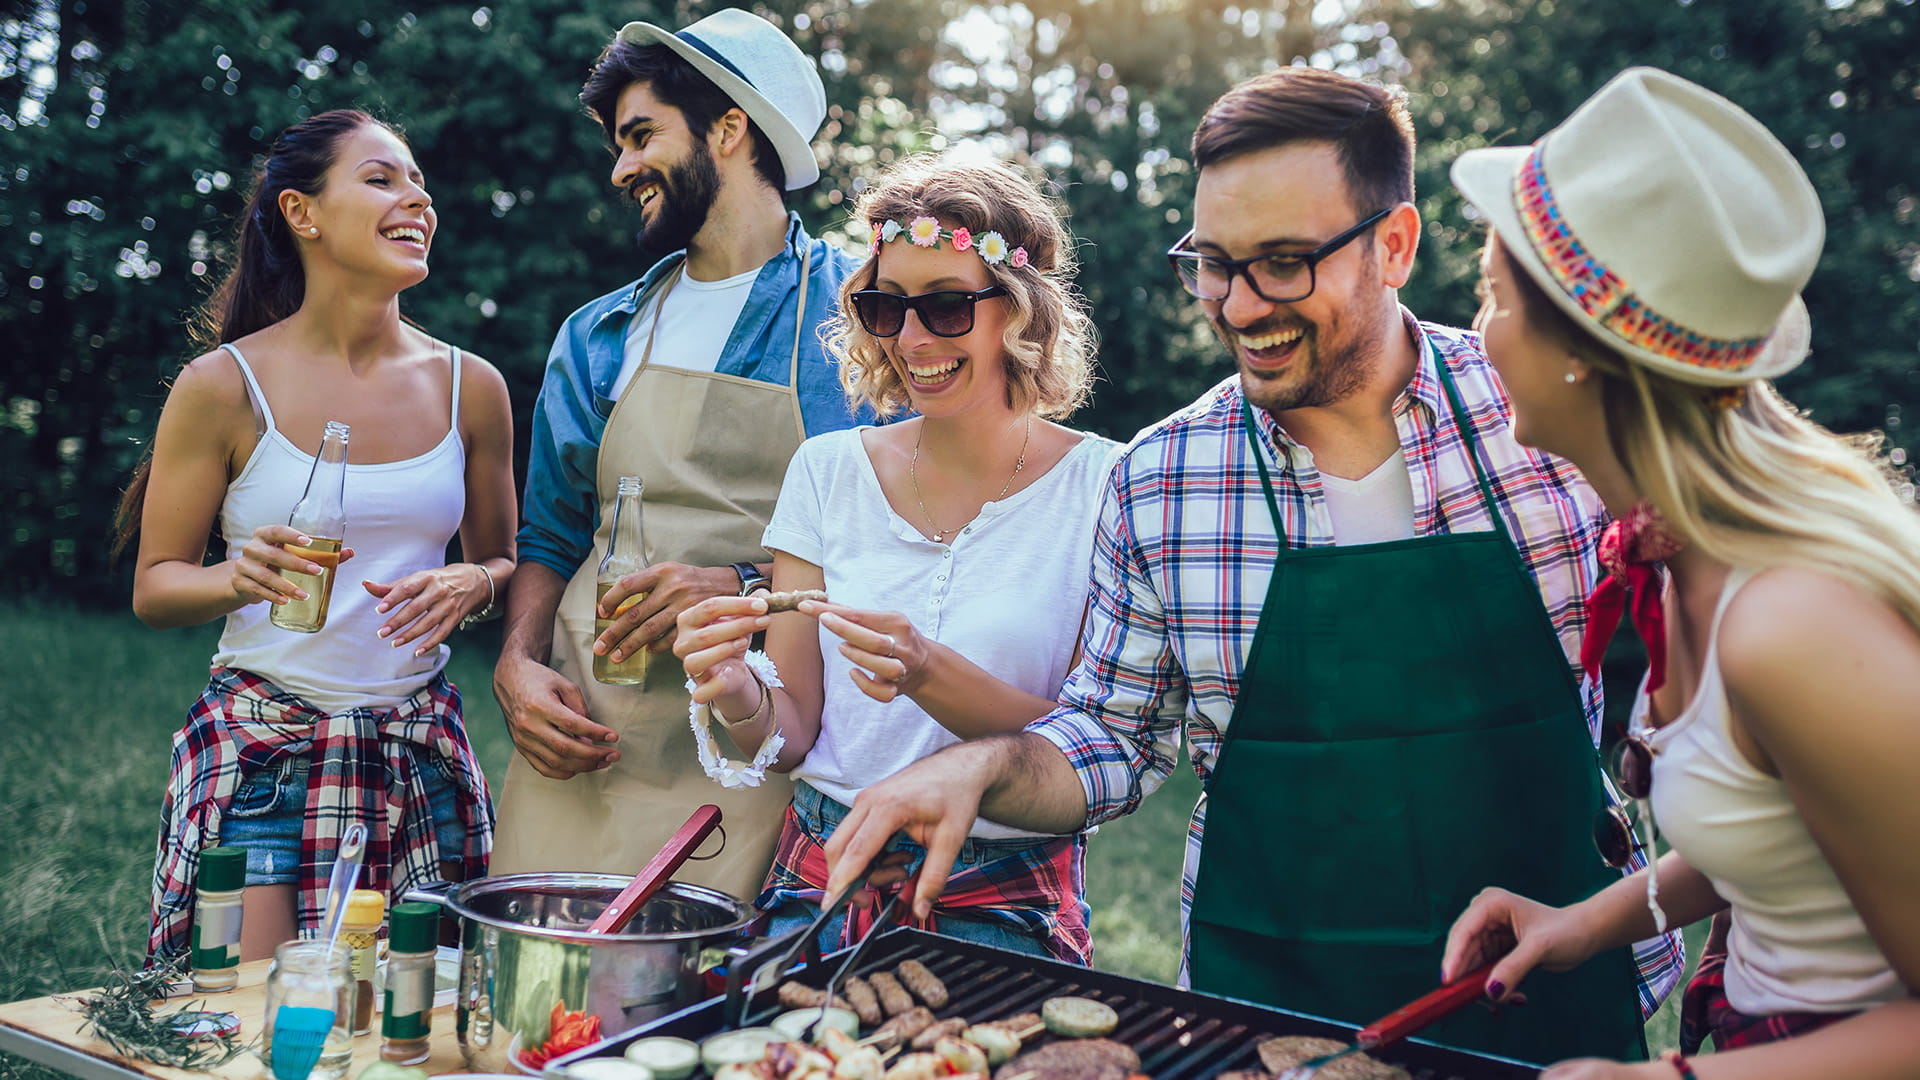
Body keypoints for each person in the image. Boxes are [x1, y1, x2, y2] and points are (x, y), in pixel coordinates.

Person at [822, 68, 1683, 1062]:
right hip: (1272, 1012)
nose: (1236, 306)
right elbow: (1111, 737)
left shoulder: (1546, 414)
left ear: (1395, 246)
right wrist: (984, 764)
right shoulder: (1163, 480)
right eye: (1213, 264)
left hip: (1557, 992)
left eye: (1281, 263)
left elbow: (1702, 638)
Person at [1437, 67, 1920, 1080]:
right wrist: (1581, 923)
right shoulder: (1679, 554)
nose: (1479, 331)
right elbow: (1790, 836)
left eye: (1494, 296)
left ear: (1581, 348)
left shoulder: (1791, 623)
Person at [673, 157, 1116, 963]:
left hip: (1003, 897)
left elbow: (1093, 747)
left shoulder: (1106, 487)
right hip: (822, 880)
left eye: (945, 306)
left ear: (1020, 308)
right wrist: (737, 688)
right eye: (886, 307)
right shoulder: (827, 471)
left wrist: (925, 670)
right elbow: (794, 735)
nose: (911, 340)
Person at [489, 9, 873, 899]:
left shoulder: (862, 318)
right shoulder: (598, 334)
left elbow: (901, 539)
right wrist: (518, 664)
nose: (620, 169)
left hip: (760, 740)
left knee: (714, 981)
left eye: (641, 136)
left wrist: (741, 586)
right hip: (587, 737)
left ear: (729, 128)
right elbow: (551, 533)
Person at [118, 110, 514, 961]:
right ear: (302, 213)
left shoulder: (471, 388)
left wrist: (474, 581)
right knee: (251, 1015)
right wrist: (236, 577)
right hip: (268, 755)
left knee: (413, 1015)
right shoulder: (222, 386)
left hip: (418, 756)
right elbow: (156, 585)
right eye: (381, 179)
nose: (417, 199)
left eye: (419, 183)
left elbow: (504, 558)